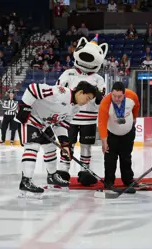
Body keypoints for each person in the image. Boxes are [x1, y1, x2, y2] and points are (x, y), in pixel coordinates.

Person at [15, 81, 98, 198]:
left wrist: (65, 143)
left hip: (44, 124)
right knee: (32, 147)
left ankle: (52, 176)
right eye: (88, 98)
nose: (87, 102)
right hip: (30, 120)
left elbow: (61, 125)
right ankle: (25, 181)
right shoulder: (61, 92)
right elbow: (32, 88)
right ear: (80, 92)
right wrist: (25, 106)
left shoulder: (75, 109)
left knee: (50, 148)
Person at [57, 35, 108, 186]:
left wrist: (99, 97)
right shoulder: (68, 73)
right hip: (69, 118)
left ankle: (85, 171)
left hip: (89, 119)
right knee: (67, 145)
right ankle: (63, 171)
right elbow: (58, 91)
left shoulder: (99, 78)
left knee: (86, 146)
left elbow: (102, 99)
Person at [97, 82, 140, 188]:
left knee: (126, 158)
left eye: (119, 96)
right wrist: (104, 141)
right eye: (114, 96)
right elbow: (101, 123)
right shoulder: (105, 102)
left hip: (128, 133)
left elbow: (137, 106)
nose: (116, 99)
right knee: (110, 159)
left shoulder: (132, 96)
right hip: (111, 134)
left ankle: (128, 180)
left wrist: (134, 118)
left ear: (124, 94)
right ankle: (109, 181)